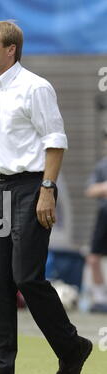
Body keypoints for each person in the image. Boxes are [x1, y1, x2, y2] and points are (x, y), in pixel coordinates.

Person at [0, 21, 92, 374]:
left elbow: (55, 140)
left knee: (26, 276)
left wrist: (47, 189)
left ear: (11, 50)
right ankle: (1, 371)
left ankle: (71, 347)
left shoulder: (36, 87)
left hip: (31, 186)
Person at [85, 131, 107, 312]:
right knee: (93, 258)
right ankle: (100, 299)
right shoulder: (102, 166)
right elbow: (90, 190)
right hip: (104, 215)